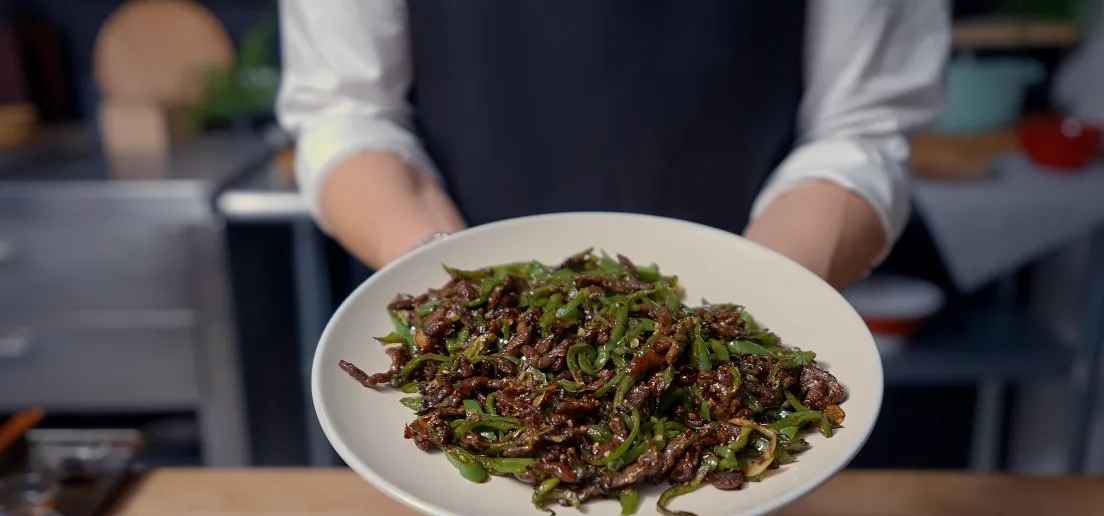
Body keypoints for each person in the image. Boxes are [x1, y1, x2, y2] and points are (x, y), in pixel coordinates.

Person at [277, 1, 949, 290]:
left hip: (747, 338)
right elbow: (346, 109)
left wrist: (749, 313)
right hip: (472, 351)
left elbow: (862, 125)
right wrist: (456, 299)